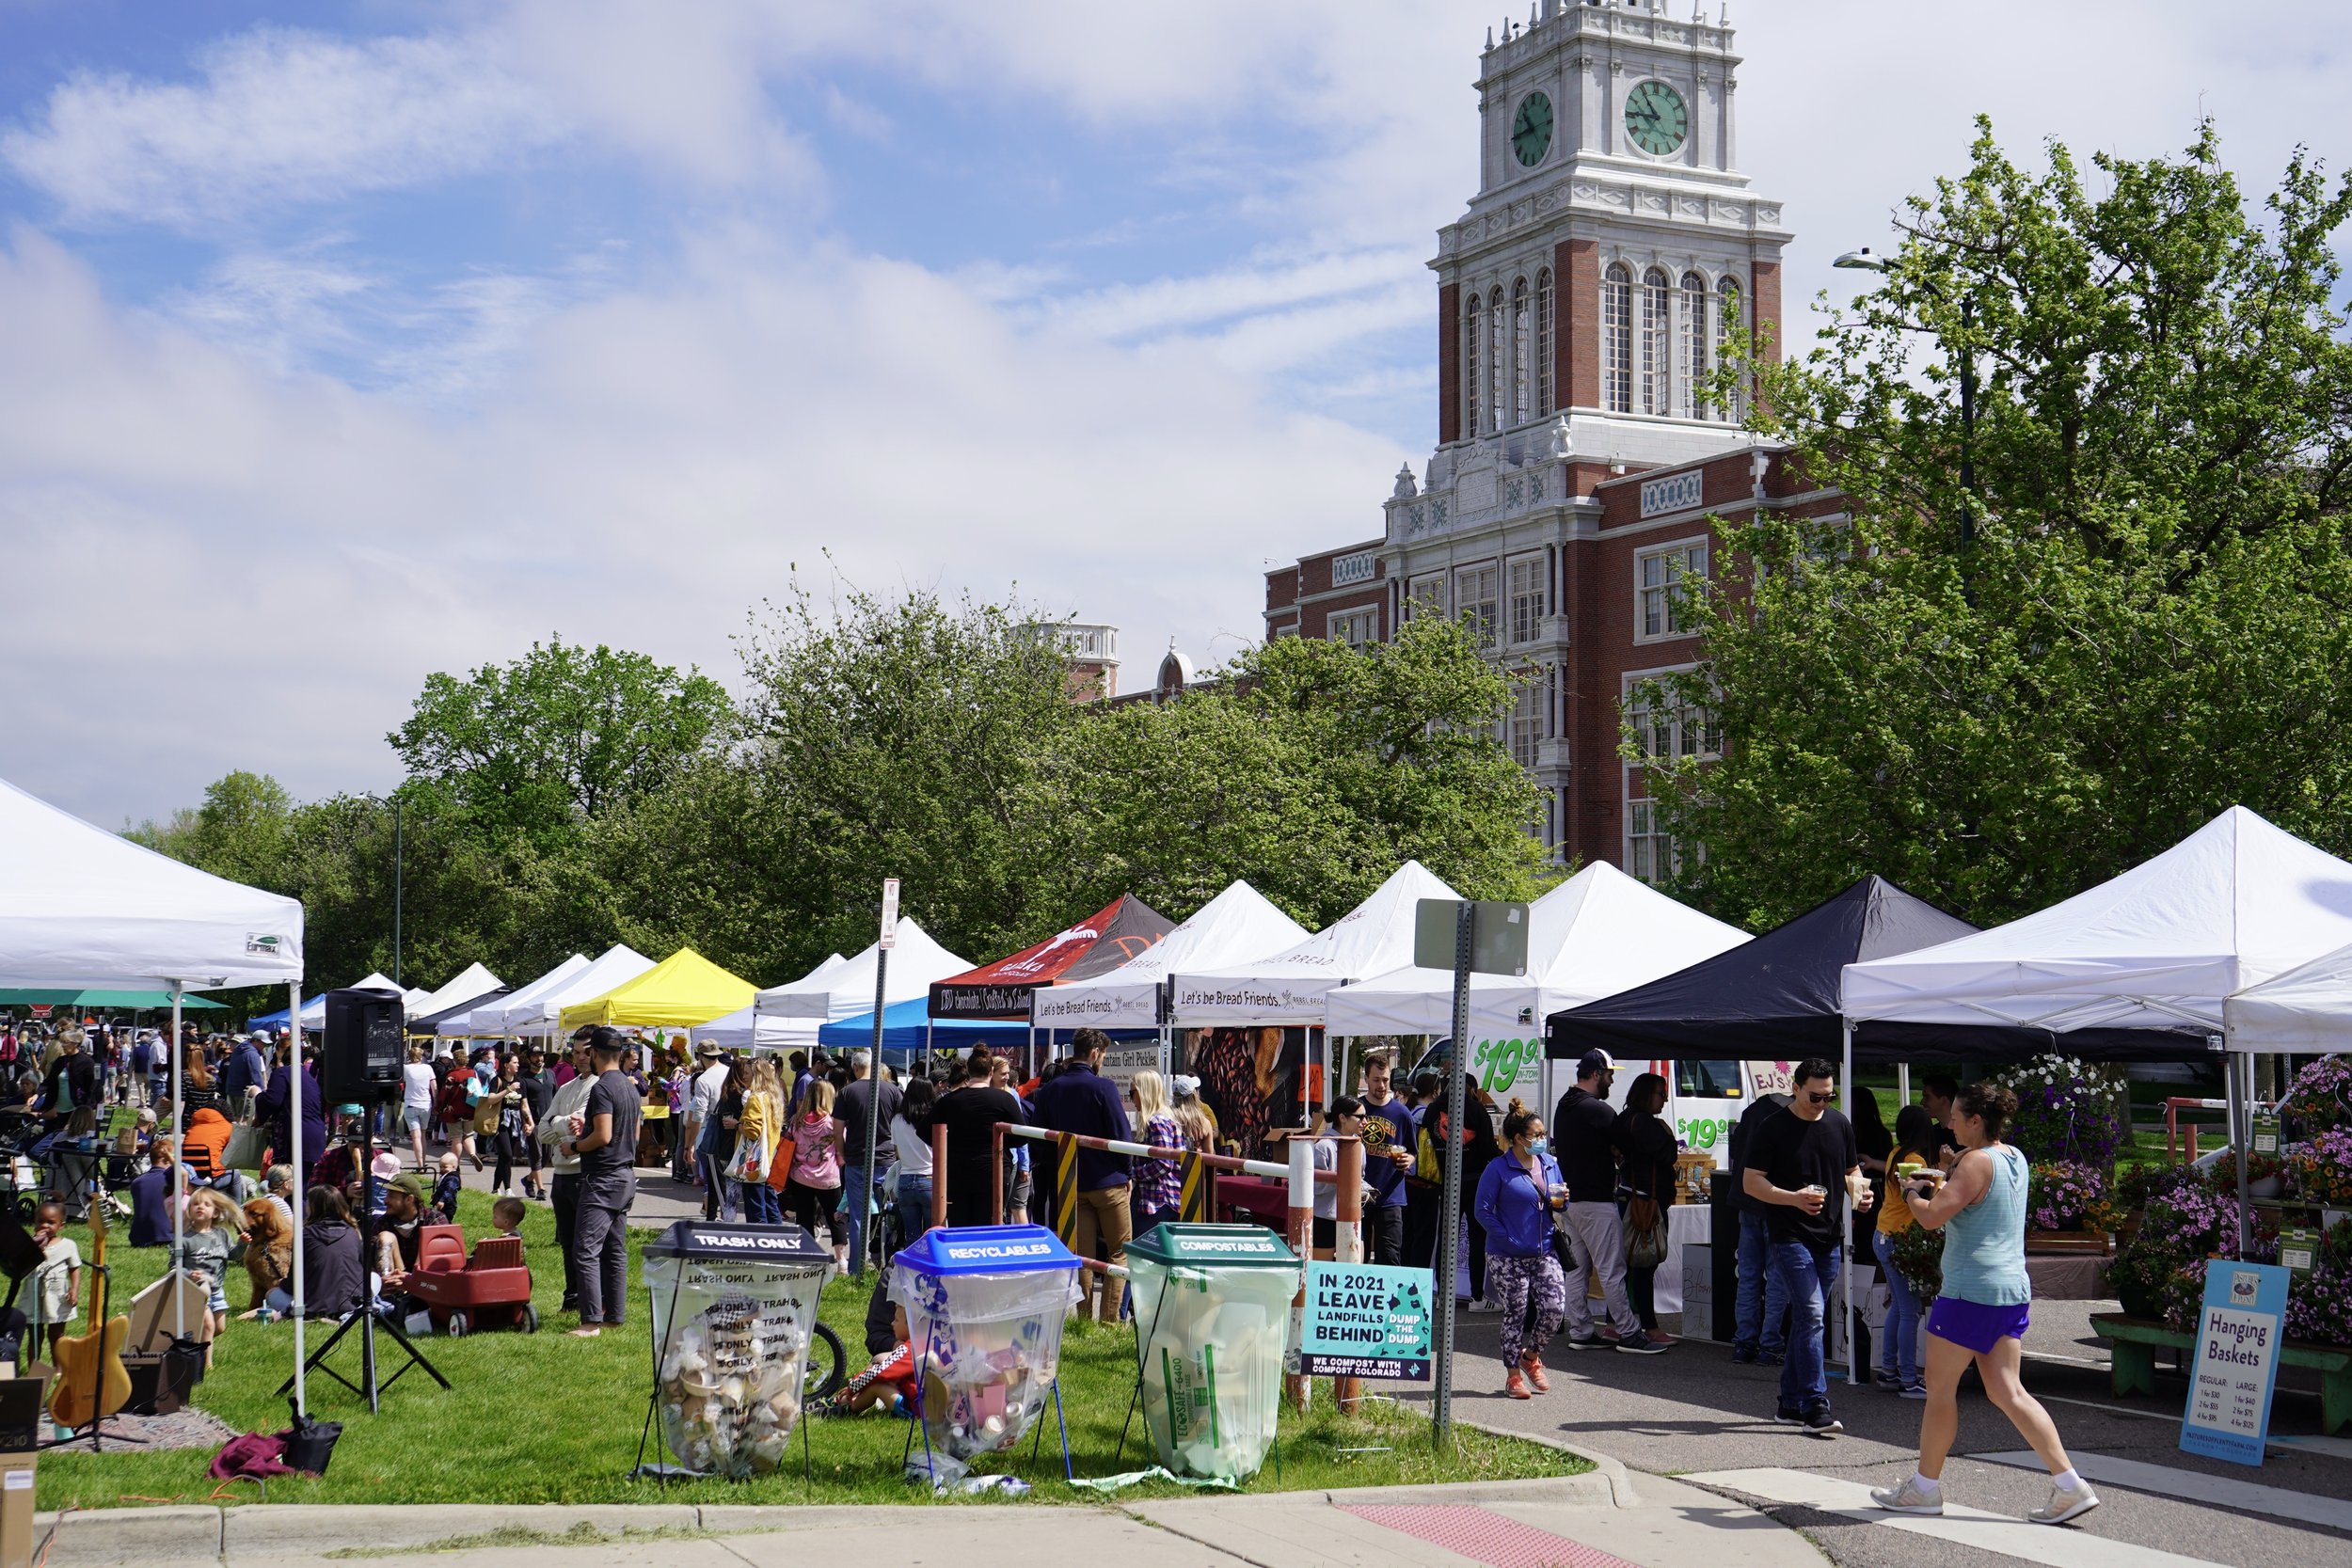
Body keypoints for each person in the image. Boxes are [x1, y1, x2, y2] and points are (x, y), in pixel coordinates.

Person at [1873, 1082, 2099, 1525]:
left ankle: (1924, 1489)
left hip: (1969, 1291)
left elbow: (1934, 1217)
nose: (1948, 1122)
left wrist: (1912, 1191)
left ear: (1976, 1120)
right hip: (2010, 1288)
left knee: (1939, 1392)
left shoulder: (1975, 1162)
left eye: (1956, 1116)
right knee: (2007, 1390)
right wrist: (1947, 1170)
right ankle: (2070, 1484)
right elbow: (1975, 1184)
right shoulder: (2013, 1156)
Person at [1741, 1057, 1873, 1434]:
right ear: (1795, 1088)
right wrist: (1793, 1198)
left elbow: (1851, 1171)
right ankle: (1816, 1403)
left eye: (1829, 1097)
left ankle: (1789, 1402)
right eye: (1815, 1097)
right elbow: (1752, 1183)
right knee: (1814, 1314)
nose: (1822, 1104)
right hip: (1788, 1234)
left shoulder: (1838, 1124)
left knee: (1806, 1319)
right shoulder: (1773, 1127)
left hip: (1829, 1235)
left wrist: (1859, 1193)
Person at [1552, 1051, 1665, 1354]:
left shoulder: (1563, 1106)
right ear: (1595, 1074)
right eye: (1609, 1075)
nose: (1612, 1080)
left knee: (1576, 1270)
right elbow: (1629, 1144)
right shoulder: (1598, 1110)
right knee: (1612, 1270)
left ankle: (1582, 1331)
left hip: (1570, 1200)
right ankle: (1630, 1333)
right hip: (1597, 1202)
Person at [1029, 1029, 1135, 1321]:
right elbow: (1121, 1136)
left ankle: (1084, 1319)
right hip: (1108, 1182)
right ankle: (1110, 1321)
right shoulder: (1104, 1088)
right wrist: (1127, 1173)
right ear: (1095, 1053)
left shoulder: (1050, 1090)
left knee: (1083, 1257)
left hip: (1071, 1185)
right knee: (1119, 1253)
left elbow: (1039, 1141)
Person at [1474, 1100, 1568, 1400]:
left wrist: (1562, 1200)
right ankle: (1513, 1375)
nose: (1542, 1140)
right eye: (1536, 1135)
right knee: (1516, 1311)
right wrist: (1509, 1239)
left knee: (1554, 1308)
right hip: (1506, 1254)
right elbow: (1482, 1210)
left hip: (1545, 1249)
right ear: (1518, 1139)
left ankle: (1531, 1357)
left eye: (1543, 1135)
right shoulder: (1499, 1168)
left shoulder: (1550, 1164)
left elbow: (1557, 1202)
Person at [559, 1028, 641, 1336]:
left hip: (603, 1178)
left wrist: (575, 1145)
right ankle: (614, 1316)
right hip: (625, 1175)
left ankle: (591, 1321)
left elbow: (604, 1136)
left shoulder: (602, 1087)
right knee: (615, 1250)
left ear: (594, 1053)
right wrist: (588, 1128)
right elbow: (627, 1133)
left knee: (585, 1249)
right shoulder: (629, 1086)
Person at [1414, 1073, 1502, 1309]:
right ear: (1470, 1089)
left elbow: (1426, 1143)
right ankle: (1477, 1296)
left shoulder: (1433, 1110)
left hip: (1443, 1181)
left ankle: (1442, 1295)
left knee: (1446, 1239)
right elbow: (1487, 1149)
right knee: (1476, 1237)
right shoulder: (1475, 1109)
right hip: (1474, 1181)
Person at [1873, 1104, 1936, 1398]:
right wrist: (1939, 1175)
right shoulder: (1914, 1159)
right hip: (1898, 1240)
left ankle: (1889, 1372)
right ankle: (1908, 1378)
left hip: (1884, 1234)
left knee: (1900, 1307)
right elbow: (1927, 1200)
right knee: (1910, 1311)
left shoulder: (1895, 1152)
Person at [1729, 1085, 1793, 1366]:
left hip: (1746, 1202)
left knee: (1749, 1277)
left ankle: (1744, 1343)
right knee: (1776, 1278)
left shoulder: (1751, 1111)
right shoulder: (1787, 1118)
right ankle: (1769, 1345)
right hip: (1775, 1203)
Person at [1615, 1071, 1679, 1339]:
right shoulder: (1645, 1123)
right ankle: (1649, 1326)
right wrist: (1667, 1134)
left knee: (1624, 1265)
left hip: (1629, 1194)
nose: (1664, 1100)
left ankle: (1615, 1324)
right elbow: (1668, 1154)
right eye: (1661, 1094)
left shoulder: (1624, 1119)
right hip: (1644, 1201)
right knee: (1644, 1263)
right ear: (1646, 1094)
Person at [536, 1036, 597, 1313]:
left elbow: (581, 1126)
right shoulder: (567, 1087)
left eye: (586, 1052)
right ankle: (572, 1297)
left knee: (585, 1244)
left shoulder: (597, 1086)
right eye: (576, 1052)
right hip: (561, 1173)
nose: (581, 1057)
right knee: (567, 1241)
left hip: (583, 1171)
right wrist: (563, 1122)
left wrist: (557, 1123)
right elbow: (542, 1130)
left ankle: (591, 1301)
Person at [833, 1050, 901, 1272]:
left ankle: (856, 1268)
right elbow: (902, 1126)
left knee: (858, 1217)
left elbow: (837, 1131)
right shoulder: (892, 1090)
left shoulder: (846, 1092)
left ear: (854, 1068)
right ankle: (888, 1264)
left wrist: (844, 1154)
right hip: (887, 1159)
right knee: (890, 1214)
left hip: (857, 1159)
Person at [935, 1051, 1023, 1227]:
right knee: (990, 1226)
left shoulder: (949, 1101)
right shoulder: (1005, 1099)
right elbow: (1021, 1136)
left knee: (960, 1228)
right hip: (993, 1173)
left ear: (968, 1070)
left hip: (958, 1173)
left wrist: (950, 1146)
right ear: (991, 1072)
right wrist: (1001, 1144)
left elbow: (924, 1130)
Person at [265, 1185, 366, 1321]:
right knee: (374, 1279)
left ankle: (317, 1316)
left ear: (313, 1207)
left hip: (314, 1305)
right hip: (353, 1303)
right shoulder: (353, 1232)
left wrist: (282, 1284)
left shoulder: (304, 1235)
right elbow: (361, 1270)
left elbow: (294, 1281)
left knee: (272, 1294)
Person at [1355, 1050, 1416, 1266]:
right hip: (1358, 1194)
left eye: (1385, 1080)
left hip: (1390, 1195)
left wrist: (1409, 1160)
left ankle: (1390, 1299)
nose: (1382, 1085)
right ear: (1366, 1079)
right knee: (1355, 1256)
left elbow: (1413, 1152)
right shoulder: (1356, 1110)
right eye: (1376, 1080)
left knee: (1389, 1257)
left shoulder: (1402, 1114)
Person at [785, 1079, 845, 1260]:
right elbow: (842, 1150)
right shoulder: (833, 1123)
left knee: (804, 1217)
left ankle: (806, 1255)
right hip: (828, 1177)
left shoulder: (796, 1121)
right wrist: (840, 1162)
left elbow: (789, 1145)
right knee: (836, 1216)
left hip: (800, 1176)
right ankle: (841, 1259)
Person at [172, 1187, 236, 1354]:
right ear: (189, 1211)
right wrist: (188, 1274)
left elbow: (234, 1255)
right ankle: (206, 1367)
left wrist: (243, 1244)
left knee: (219, 1328)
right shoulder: (184, 1239)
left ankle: (191, 1345)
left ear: (215, 1213)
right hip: (195, 1289)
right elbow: (173, 1267)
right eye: (195, 1204)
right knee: (208, 1325)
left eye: (206, 1204)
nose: (200, 1207)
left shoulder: (221, 1234)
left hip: (217, 1290)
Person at [255, 1040, 326, 1182]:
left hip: (295, 1137)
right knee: (301, 1187)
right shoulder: (308, 1078)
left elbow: (272, 1101)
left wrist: (258, 1096)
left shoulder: (282, 1073)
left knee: (286, 1186)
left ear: (281, 1054)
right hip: (313, 1136)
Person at [1129, 1070, 1186, 1239]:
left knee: (1145, 1253)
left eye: (1132, 1093)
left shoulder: (1156, 1122)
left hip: (1158, 1201)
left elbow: (1163, 1163)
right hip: (1165, 1200)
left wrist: (1134, 1173)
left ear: (1143, 1093)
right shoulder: (1164, 1119)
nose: (1131, 1099)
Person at [734, 1058, 786, 1226]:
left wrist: (739, 1125)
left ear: (757, 1076)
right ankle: (777, 1240)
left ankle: (758, 1243)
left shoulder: (755, 1098)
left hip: (754, 1160)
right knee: (771, 1204)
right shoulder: (773, 1097)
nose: (744, 1076)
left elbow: (753, 1132)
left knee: (755, 1207)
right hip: (770, 1158)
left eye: (747, 1073)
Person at [27, 1201, 81, 1361]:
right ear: (34, 1222)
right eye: (40, 1221)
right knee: (34, 1335)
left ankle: (59, 1367)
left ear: (61, 1225)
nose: (44, 1225)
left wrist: (74, 1289)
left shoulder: (68, 1245)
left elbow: (75, 1268)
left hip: (57, 1296)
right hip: (33, 1296)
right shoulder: (29, 1243)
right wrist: (35, 1248)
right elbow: (20, 1265)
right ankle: (33, 1368)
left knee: (56, 1335)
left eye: (50, 1222)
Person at [888, 1077, 937, 1244]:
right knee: (933, 1235)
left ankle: (912, 1269)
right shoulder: (934, 1119)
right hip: (930, 1178)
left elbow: (897, 1153)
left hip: (906, 1179)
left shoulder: (897, 1120)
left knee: (912, 1237)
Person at [128, 1141, 187, 1247]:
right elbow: (183, 1174)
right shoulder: (172, 1180)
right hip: (166, 1236)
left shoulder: (136, 1182)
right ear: (167, 1159)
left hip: (138, 1238)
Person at [515, 1046, 552, 1200]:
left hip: (550, 1122)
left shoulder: (550, 1075)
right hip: (534, 1122)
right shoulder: (524, 1079)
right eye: (535, 1056)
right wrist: (528, 1122)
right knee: (536, 1155)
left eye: (541, 1056)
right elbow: (523, 1104)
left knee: (546, 1157)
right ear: (529, 1058)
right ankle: (541, 1189)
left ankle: (528, 1180)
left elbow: (556, 1097)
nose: (539, 1059)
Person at [400, 1044, 437, 1168]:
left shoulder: (405, 1068)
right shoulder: (428, 1068)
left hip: (410, 1103)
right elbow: (434, 1087)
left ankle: (420, 1164)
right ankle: (424, 1161)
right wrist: (436, 1102)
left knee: (415, 1136)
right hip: (425, 1103)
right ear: (421, 1057)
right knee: (423, 1135)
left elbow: (401, 1082)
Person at [1170, 1074, 1219, 1156]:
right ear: (1194, 1095)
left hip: (1171, 1167)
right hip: (1194, 1167)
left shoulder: (1166, 1117)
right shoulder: (1204, 1123)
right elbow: (1209, 1157)